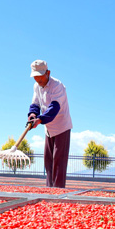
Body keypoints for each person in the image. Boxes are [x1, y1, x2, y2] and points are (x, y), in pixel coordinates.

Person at [27, 59, 73, 188]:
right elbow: (35, 103)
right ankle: (49, 189)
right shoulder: (37, 86)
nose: (38, 80)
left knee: (59, 161)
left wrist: (40, 119)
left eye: (41, 76)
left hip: (61, 126)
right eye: (35, 77)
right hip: (48, 128)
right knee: (48, 161)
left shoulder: (57, 85)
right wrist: (33, 115)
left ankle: (58, 191)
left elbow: (54, 107)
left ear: (48, 73)